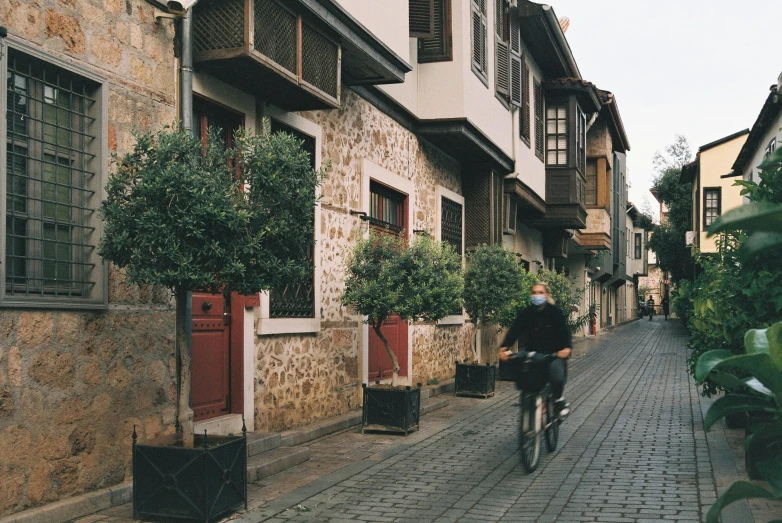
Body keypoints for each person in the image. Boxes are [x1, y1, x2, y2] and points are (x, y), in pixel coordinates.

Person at [498, 282, 572, 416]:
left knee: (556, 376)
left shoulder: (555, 312)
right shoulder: (526, 313)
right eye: (534, 293)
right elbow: (515, 329)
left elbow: (564, 331)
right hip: (533, 352)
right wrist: (504, 347)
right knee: (522, 372)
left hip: (553, 354)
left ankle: (558, 399)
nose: (537, 295)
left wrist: (566, 348)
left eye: (540, 292)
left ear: (546, 295)